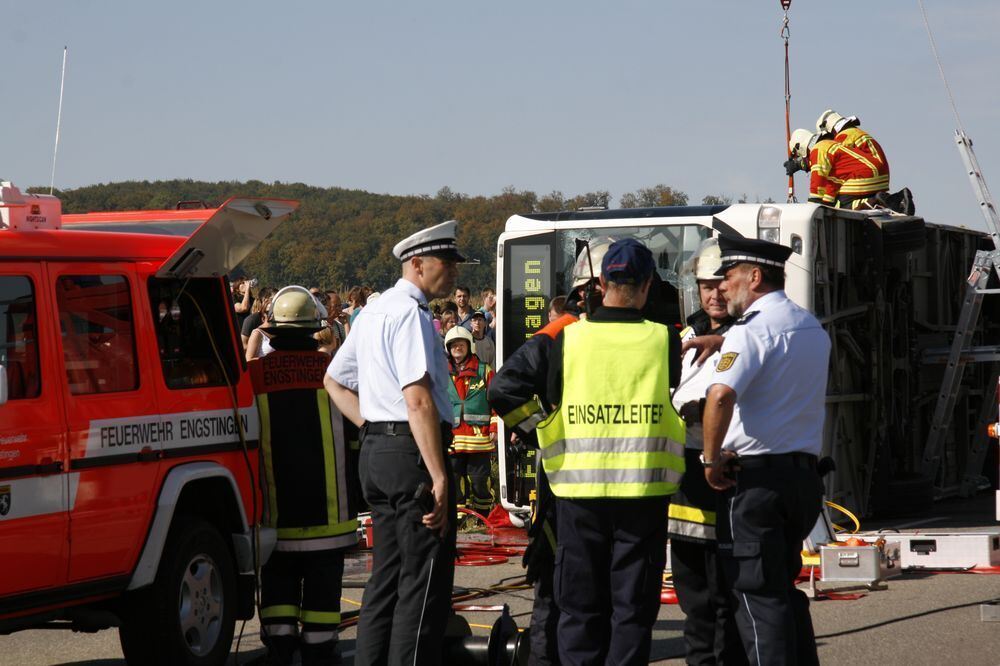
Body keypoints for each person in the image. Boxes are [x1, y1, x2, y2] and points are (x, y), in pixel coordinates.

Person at [537, 238, 686, 666]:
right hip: (643, 496)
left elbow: (550, 402)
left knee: (580, 608)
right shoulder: (664, 340)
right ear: (648, 285)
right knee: (632, 612)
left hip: (578, 497)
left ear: (602, 283)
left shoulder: (570, 339)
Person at [325, 219, 463, 666]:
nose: (454, 272)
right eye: (447, 262)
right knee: (422, 585)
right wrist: (438, 474)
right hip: (412, 452)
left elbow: (333, 380)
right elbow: (418, 399)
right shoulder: (410, 313)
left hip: (379, 452)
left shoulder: (374, 312)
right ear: (418, 265)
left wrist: (371, 426)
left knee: (385, 578)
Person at [700, 235, 830, 666]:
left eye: (731, 277)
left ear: (754, 277)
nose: (723, 288)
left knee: (757, 599)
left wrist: (710, 460)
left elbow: (720, 395)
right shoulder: (809, 325)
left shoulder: (750, 330)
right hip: (802, 479)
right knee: (782, 592)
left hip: (755, 483)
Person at [486, 240, 610, 666]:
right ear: (590, 289)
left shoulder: (624, 331)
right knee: (555, 586)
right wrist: (543, 431)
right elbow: (503, 388)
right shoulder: (561, 332)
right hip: (563, 484)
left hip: (609, 481)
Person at [249, 286, 358, 666]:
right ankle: (319, 652)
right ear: (315, 328)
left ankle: (280, 652)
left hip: (275, 517)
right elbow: (358, 434)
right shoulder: (334, 372)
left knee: (278, 589)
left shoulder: (253, 376)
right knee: (323, 597)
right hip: (329, 519)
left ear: (273, 331)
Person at [668, 239, 747, 666]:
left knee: (729, 596)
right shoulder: (685, 336)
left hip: (732, 474)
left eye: (719, 285)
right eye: (704, 287)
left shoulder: (748, 335)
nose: (713, 296)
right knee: (695, 597)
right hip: (688, 482)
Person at [444, 326, 497, 516]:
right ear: (448, 349)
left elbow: (496, 401)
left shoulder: (484, 371)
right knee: (455, 480)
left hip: (480, 439)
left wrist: (494, 426)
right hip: (453, 439)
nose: (457, 348)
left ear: (469, 346)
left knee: (479, 480)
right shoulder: (442, 374)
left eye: (461, 345)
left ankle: (483, 517)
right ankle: (460, 518)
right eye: (453, 346)